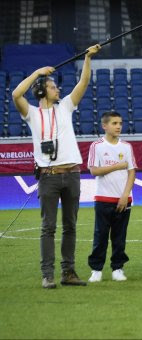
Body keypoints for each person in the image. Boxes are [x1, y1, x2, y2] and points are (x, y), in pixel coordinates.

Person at [12, 43, 100, 289]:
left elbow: (82, 84)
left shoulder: (65, 107)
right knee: (48, 227)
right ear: (41, 91)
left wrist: (87, 59)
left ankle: (68, 272)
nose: (57, 88)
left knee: (70, 226)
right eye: (52, 86)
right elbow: (16, 95)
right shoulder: (30, 113)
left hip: (72, 174)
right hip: (49, 177)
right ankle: (47, 274)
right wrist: (37, 74)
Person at [87, 111, 137, 282]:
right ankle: (96, 269)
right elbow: (93, 170)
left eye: (120, 123)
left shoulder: (127, 147)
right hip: (103, 198)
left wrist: (125, 195)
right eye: (114, 123)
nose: (118, 126)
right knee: (100, 236)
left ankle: (118, 268)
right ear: (105, 126)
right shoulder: (97, 146)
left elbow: (132, 173)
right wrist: (116, 166)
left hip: (124, 199)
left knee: (119, 237)